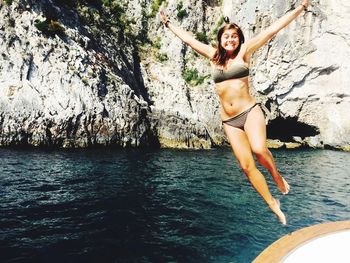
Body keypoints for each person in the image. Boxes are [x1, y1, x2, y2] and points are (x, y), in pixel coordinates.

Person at [160, 0, 310, 225]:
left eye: (234, 36)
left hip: (250, 112)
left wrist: (299, 9)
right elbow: (189, 40)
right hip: (229, 122)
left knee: (259, 150)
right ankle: (273, 204)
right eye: (226, 36)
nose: (230, 39)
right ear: (220, 40)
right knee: (246, 167)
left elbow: (272, 30)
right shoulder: (213, 56)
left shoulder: (245, 53)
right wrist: (169, 24)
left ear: (239, 39)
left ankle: (276, 175)